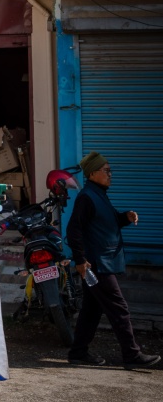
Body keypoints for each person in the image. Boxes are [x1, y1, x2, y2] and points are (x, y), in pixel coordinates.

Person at [67, 151, 160, 370]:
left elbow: (105, 223)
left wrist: (125, 217)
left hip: (100, 263)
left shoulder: (99, 195)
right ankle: (132, 354)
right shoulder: (87, 197)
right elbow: (74, 229)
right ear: (92, 174)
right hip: (96, 265)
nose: (111, 175)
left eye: (110, 171)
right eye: (106, 171)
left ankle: (78, 353)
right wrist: (80, 260)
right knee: (119, 308)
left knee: (92, 309)